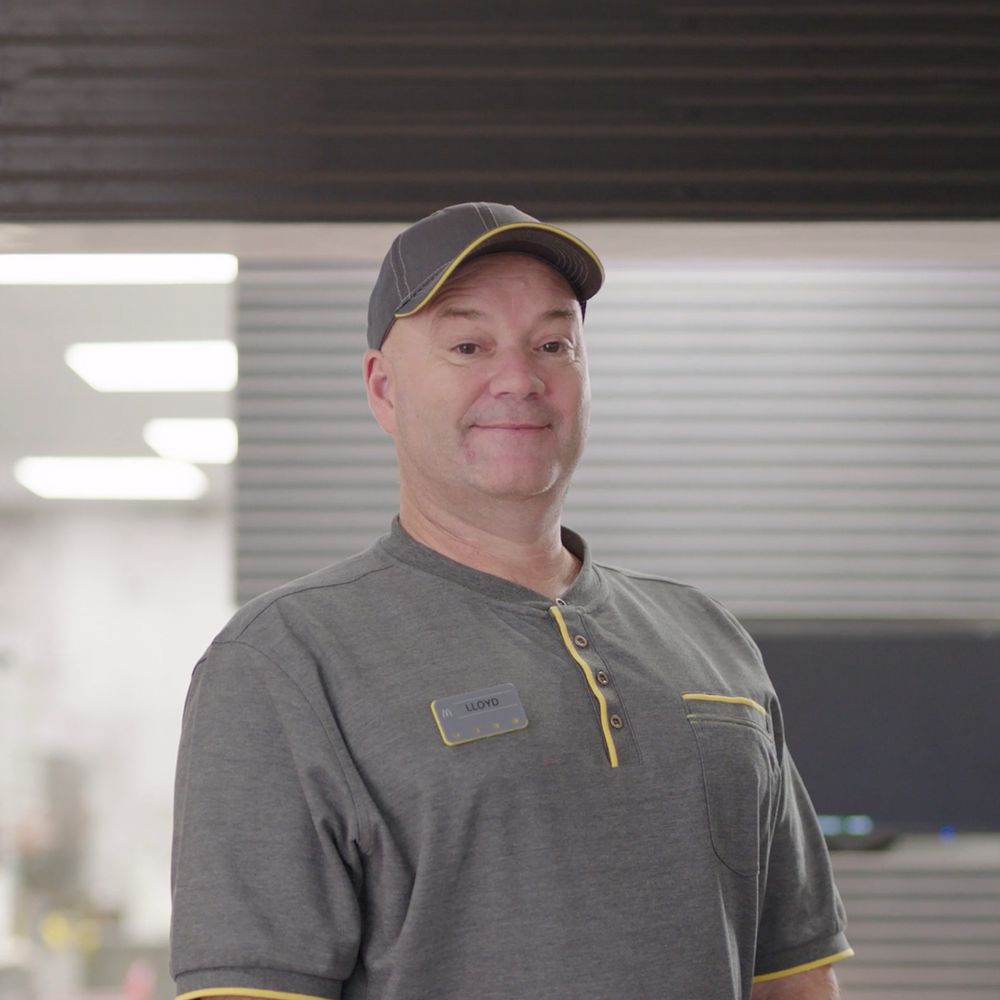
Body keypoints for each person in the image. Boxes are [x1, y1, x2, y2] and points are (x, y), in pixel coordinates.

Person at [170, 202, 853, 1000]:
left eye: (553, 344)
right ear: (383, 389)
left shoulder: (709, 639)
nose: (520, 379)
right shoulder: (285, 661)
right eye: (468, 345)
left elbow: (791, 979)